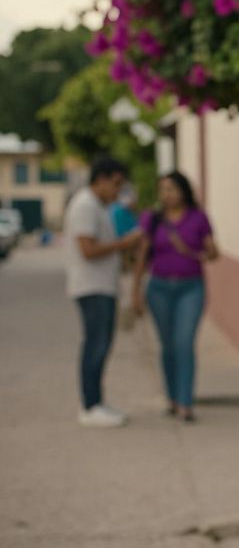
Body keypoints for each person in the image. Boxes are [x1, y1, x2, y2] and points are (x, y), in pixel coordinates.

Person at [131, 172, 217, 423]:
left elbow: (213, 253)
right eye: (163, 189)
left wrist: (204, 250)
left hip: (191, 287)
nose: (167, 194)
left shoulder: (198, 217)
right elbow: (142, 254)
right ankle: (171, 398)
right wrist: (135, 291)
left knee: (184, 342)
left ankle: (186, 402)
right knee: (167, 345)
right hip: (159, 289)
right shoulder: (152, 219)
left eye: (172, 188)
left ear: (183, 190)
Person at [66, 157, 141, 427]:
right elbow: (88, 250)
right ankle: (90, 406)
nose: (118, 191)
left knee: (101, 345)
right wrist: (123, 243)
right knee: (95, 346)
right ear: (101, 179)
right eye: (116, 184)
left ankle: (97, 401)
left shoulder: (99, 206)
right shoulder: (85, 205)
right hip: (92, 287)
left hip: (102, 286)